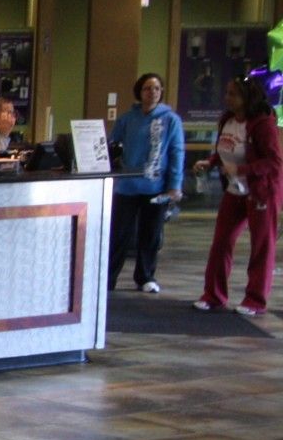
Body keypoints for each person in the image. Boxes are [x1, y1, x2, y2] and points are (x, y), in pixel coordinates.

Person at [192, 73, 281, 315]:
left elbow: (274, 162)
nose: (227, 98)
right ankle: (214, 295)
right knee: (221, 242)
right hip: (234, 190)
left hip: (262, 192)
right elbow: (226, 149)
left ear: (246, 97)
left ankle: (255, 300)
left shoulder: (263, 124)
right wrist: (211, 162)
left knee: (261, 246)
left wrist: (241, 169)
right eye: (227, 93)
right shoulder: (227, 120)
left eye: (233, 93)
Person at [108, 72, 185, 294]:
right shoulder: (127, 119)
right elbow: (113, 145)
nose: (152, 93)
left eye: (156, 89)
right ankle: (110, 276)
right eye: (147, 88)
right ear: (139, 92)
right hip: (127, 186)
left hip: (156, 186)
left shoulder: (171, 120)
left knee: (150, 234)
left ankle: (145, 276)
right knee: (120, 233)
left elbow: (176, 152)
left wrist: (175, 185)